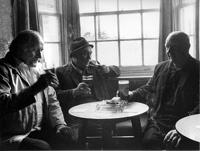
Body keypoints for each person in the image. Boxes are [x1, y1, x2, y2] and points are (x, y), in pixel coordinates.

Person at [119, 31, 199, 150]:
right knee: (149, 143)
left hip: (185, 122)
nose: (168, 52)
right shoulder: (161, 67)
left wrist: (182, 128)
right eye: (167, 47)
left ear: (186, 48)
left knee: (179, 146)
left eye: (174, 48)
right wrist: (130, 95)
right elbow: (148, 88)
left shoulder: (197, 69)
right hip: (159, 122)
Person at [0, 30, 77, 150]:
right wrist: (36, 87)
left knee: (68, 137)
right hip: (10, 135)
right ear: (22, 48)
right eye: (36, 50)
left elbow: (52, 101)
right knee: (42, 148)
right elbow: (3, 103)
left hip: (37, 129)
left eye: (40, 51)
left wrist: (60, 124)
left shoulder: (38, 69)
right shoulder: (3, 70)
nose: (40, 57)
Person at [55, 37, 120, 145]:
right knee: (94, 129)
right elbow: (55, 96)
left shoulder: (95, 66)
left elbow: (117, 71)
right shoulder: (61, 72)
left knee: (106, 125)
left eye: (90, 53)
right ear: (73, 57)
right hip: (77, 113)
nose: (89, 57)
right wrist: (73, 92)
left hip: (100, 108)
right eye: (85, 54)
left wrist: (107, 69)